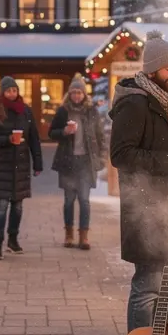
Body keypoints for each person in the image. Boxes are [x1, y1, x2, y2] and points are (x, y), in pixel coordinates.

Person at [109, 30, 168, 333]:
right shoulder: (135, 103)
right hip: (147, 208)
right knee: (149, 285)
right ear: (151, 70)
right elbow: (121, 155)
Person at [0, 76, 43, 260]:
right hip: (0, 165)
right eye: (8, 90)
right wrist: (8, 140)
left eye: (14, 90)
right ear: (3, 92)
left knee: (17, 207)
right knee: (1, 206)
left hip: (20, 165)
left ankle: (13, 240)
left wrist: (38, 163)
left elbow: (33, 138)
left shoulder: (25, 111)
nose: (12, 93)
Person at [49, 75, 104, 250]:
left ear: (84, 94)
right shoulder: (63, 111)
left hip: (86, 162)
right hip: (67, 161)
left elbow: (100, 135)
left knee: (84, 200)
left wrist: (101, 157)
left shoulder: (91, 111)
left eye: (79, 92)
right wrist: (64, 131)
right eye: (73, 92)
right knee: (68, 200)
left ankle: (84, 236)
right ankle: (69, 235)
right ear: (69, 94)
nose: (76, 96)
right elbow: (52, 133)